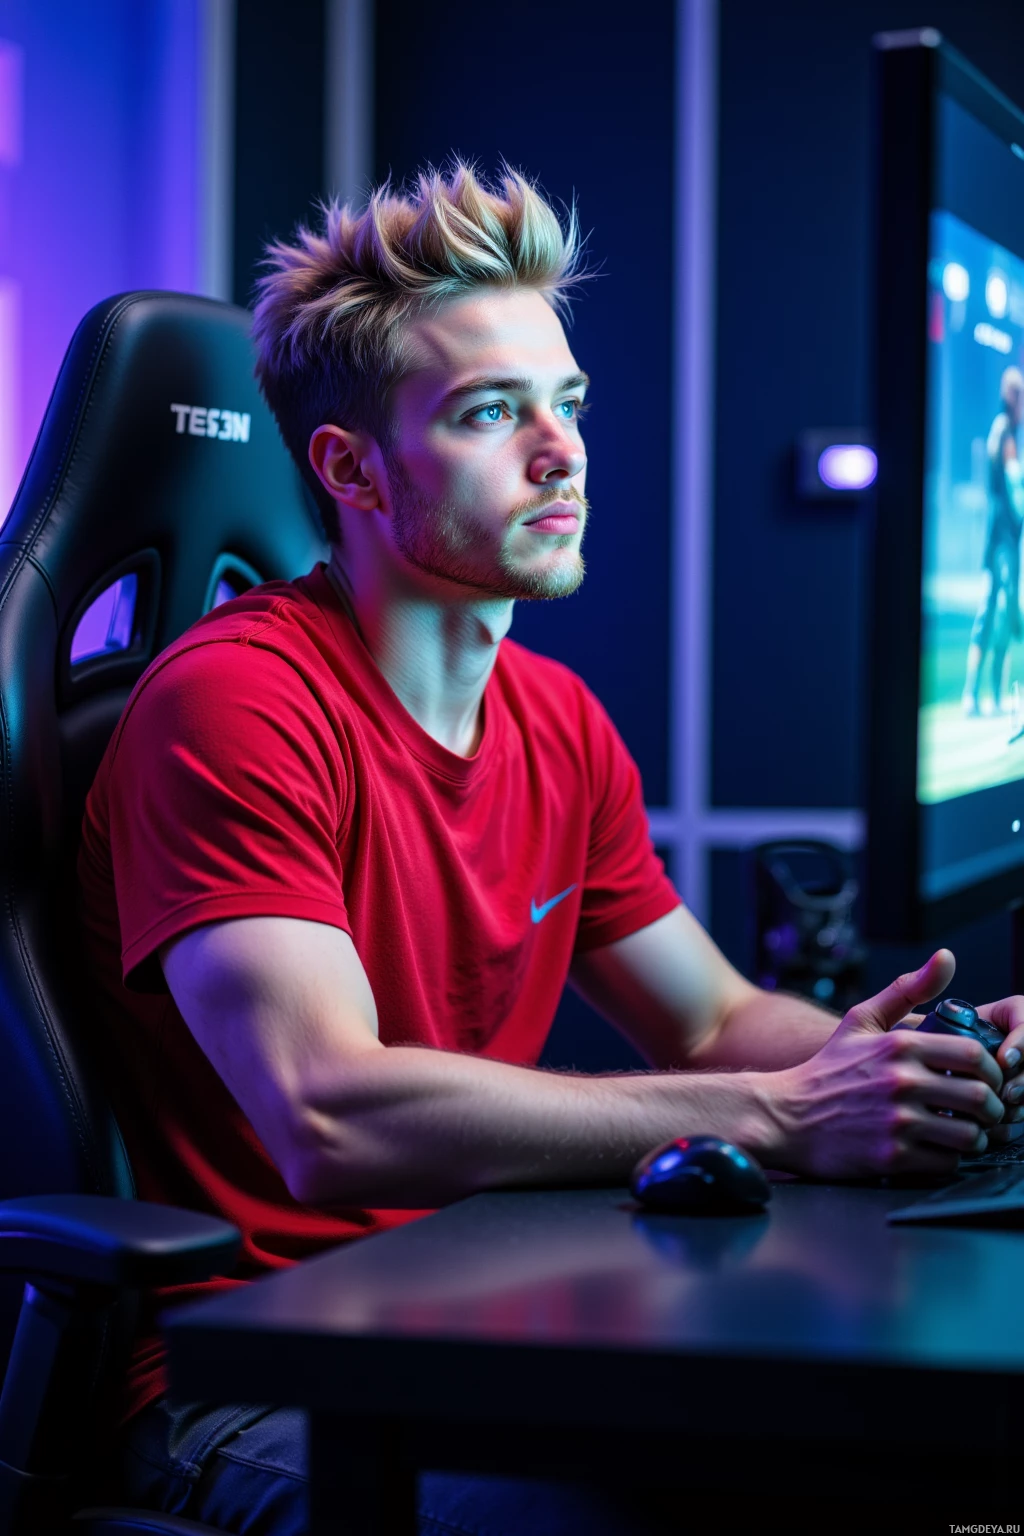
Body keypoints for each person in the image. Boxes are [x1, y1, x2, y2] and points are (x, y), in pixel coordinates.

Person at [78, 164, 1024, 1535]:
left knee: (894, 1480)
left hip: (472, 1306)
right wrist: (777, 1117)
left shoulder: (557, 719)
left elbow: (710, 1022)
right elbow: (326, 1115)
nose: (563, 450)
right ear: (349, 466)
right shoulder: (237, 702)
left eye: (568, 404)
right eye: (490, 414)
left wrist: (916, 1073)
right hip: (252, 1376)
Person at [962, 365, 1024, 716]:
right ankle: (979, 696)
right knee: (997, 611)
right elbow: (1014, 487)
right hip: (1002, 541)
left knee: (999, 612)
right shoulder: (1005, 433)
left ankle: (990, 697)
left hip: (1003, 539)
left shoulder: (1005, 431)